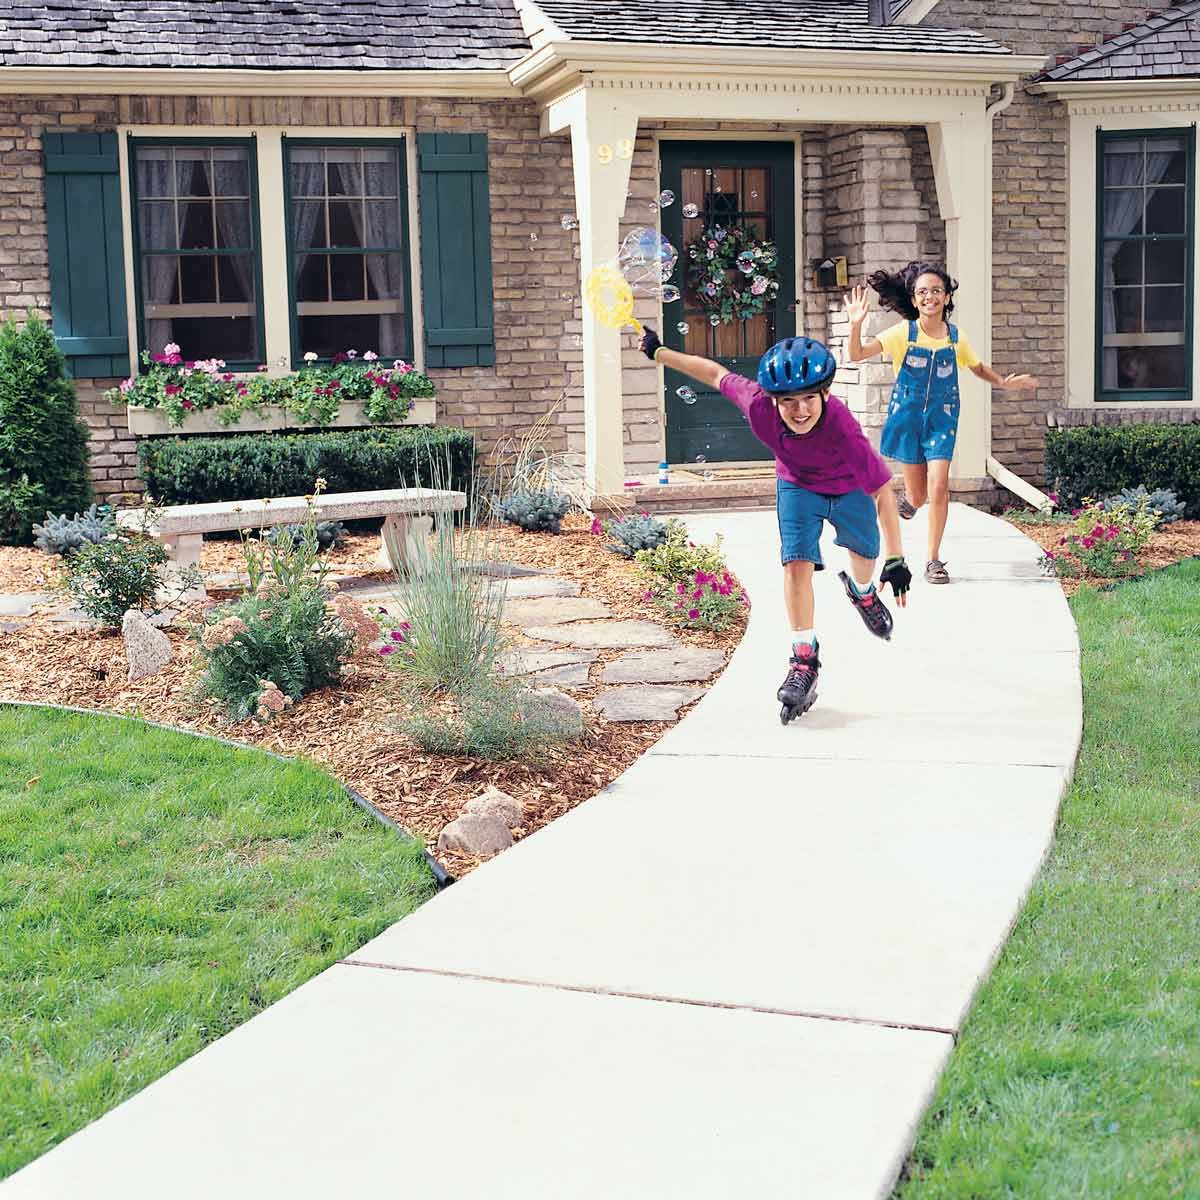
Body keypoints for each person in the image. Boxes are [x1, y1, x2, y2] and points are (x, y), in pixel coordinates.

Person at [639, 327, 911, 724]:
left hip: (850, 488)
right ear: (772, 400)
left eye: (807, 400)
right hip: (798, 486)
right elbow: (713, 373)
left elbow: (884, 493)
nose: (799, 410)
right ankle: (804, 658)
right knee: (796, 563)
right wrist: (661, 352)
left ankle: (863, 592)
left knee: (864, 558)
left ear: (825, 394)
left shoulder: (844, 429)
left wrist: (897, 557)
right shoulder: (757, 405)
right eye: (787, 402)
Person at [844, 262, 1038, 585]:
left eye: (936, 290)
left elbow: (976, 367)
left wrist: (1003, 382)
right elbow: (857, 354)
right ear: (914, 298)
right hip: (908, 420)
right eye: (923, 292)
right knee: (918, 496)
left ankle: (933, 559)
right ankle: (911, 502)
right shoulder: (901, 334)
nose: (930, 296)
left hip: (941, 420)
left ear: (947, 297)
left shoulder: (955, 338)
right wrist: (854, 326)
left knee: (939, 485)